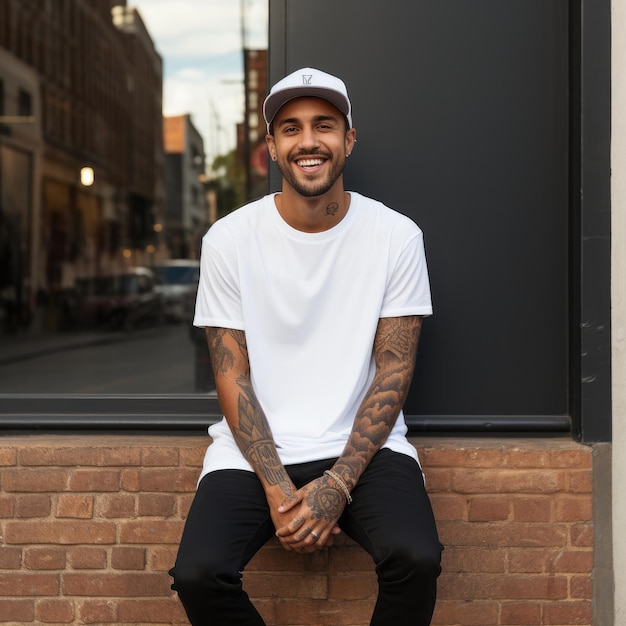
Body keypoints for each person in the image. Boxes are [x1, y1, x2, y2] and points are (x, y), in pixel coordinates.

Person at [170, 67, 443, 626]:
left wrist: (338, 485)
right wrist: (277, 487)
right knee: (198, 574)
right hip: (254, 451)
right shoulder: (229, 239)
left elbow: (393, 371)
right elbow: (232, 373)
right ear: (272, 147)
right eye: (290, 129)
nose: (309, 141)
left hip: (363, 448)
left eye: (324, 125)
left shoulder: (396, 236)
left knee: (416, 560)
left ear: (349, 138)